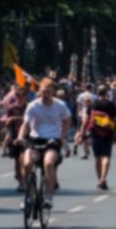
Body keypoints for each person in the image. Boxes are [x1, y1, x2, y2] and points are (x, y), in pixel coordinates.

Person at [18, 78, 72, 209]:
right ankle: (28, 194)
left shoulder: (60, 105)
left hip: (52, 140)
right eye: (43, 92)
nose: (45, 94)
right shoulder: (33, 105)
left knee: (48, 163)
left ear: (52, 91)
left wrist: (62, 137)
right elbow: (25, 124)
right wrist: (20, 137)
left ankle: (48, 196)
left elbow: (66, 121)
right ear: (39, 91)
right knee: (27, 163)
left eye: (48, 92)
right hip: (35, 138)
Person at [86, 86, 116, 190]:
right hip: (108, 133)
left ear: (97, 93)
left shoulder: (93, 105)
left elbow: (86, 120)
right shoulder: (110, 105)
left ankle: (99, 178)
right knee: (106, 156)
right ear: (106, 93)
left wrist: (82, 132)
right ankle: (103, 178)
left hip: (95, 133)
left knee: (97, 157)